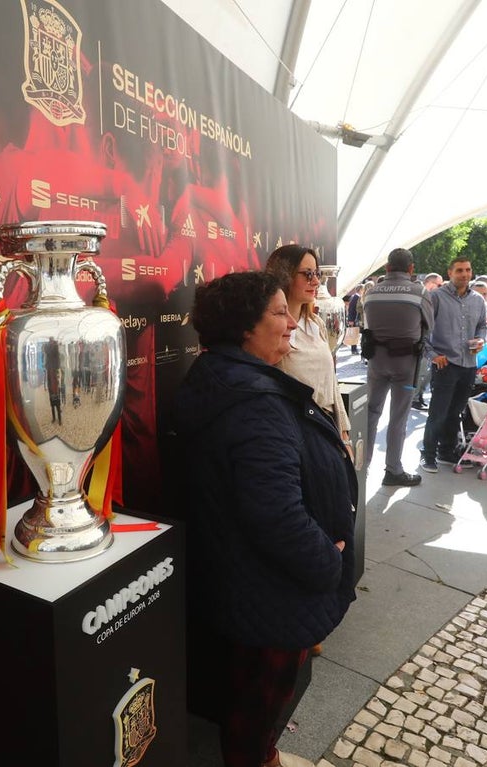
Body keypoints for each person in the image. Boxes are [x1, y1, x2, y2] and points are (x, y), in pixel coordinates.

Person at [171, 271, 356, 767]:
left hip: (245, 580)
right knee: (257, 708)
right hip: (270, 590)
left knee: (247, 699)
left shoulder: (224, 379)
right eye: (279, 312)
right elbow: (276, 514)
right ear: (244, 327)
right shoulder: (254, 404)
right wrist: (329, 562)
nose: (291, 323)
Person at [266, 245, 352, 454]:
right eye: (307, 274)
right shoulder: (271, 330)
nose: (315, 282)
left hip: (327, 429)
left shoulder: (316, 323)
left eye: (317, 274)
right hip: (297, 436)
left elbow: (331, 383)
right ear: (284, 275)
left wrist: (344, 434)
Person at [359, 248, 432, 486]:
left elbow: (366, 325)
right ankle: (393, 470)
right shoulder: (420, 292)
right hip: (406, 363)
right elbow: (429, 326)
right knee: (398, 417)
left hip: (376, 361)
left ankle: (361, 468)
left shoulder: (371, 293)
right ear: (411, 269)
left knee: (371, 413)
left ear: (387, 268)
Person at [419, 257, 486, 473]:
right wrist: (432, 355)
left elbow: (482, 326)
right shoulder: (436, 297)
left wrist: (481, 339)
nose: (465, 274)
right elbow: (422, 329)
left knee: (455, 412)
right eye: (459, 270)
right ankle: (428, 454)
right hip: (445, 363)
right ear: (450, 273)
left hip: (469, 364)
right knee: (438, 413)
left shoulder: (478, 299)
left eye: (468, 270)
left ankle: (446, 452)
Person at [411, 272, 443, 409]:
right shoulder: (420, 296)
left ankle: (419, 395)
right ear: (430, 283)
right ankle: (414, 398)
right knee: (421, 371)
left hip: (432, 341)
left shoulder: (433, 297)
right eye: (439, 285)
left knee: (428, 372)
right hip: (421, 340)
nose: (442, 287)